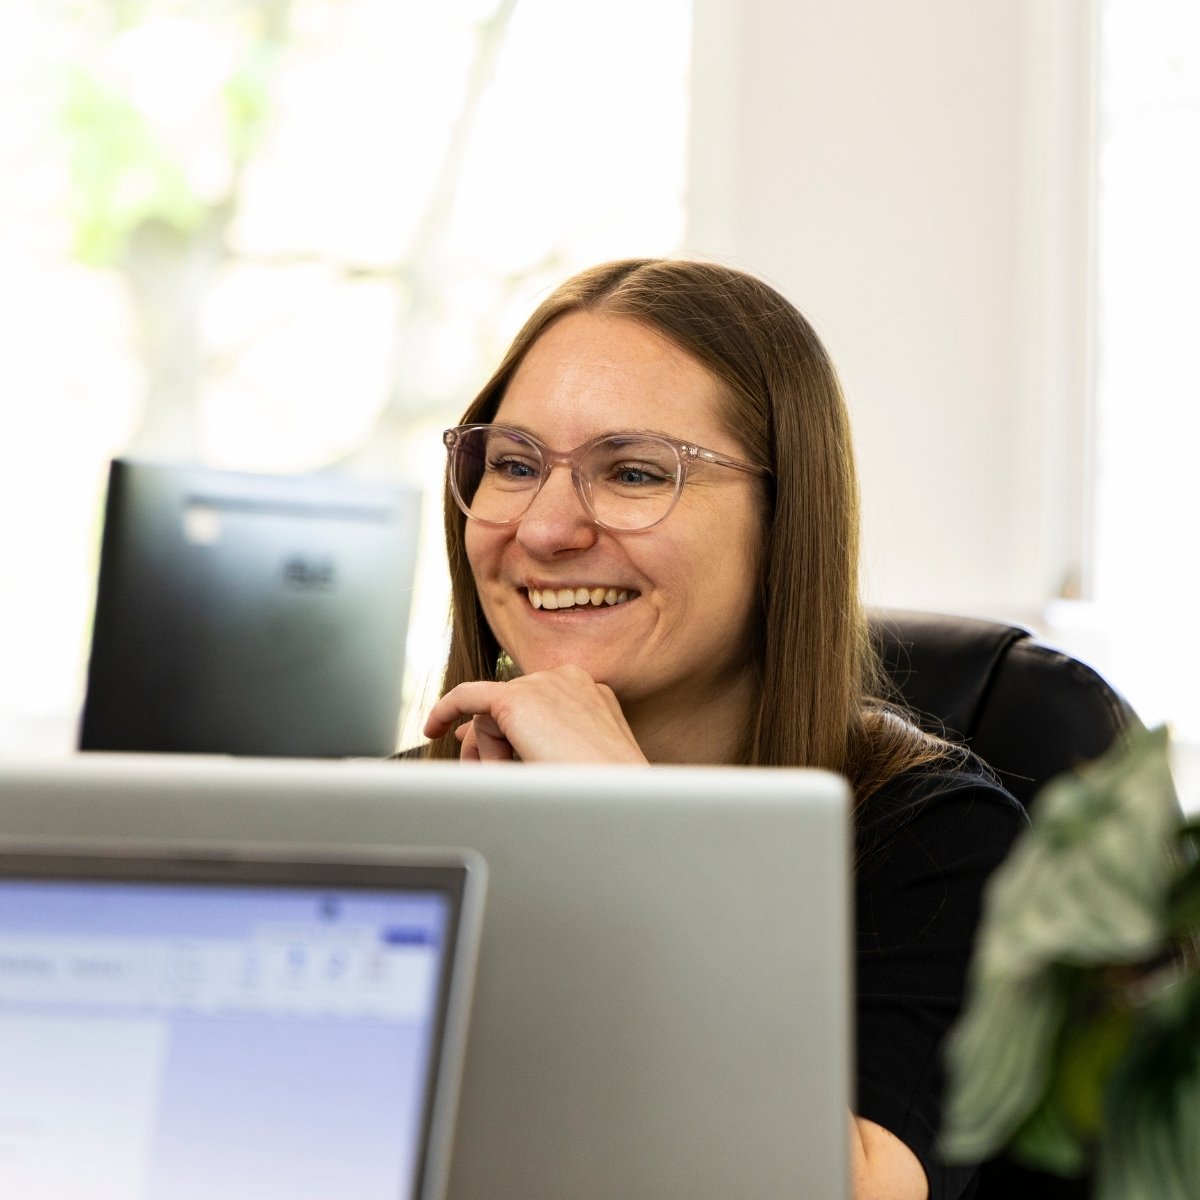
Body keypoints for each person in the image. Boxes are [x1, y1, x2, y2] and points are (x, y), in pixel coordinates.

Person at [416, 258, 1025, 1200]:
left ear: (786, 521)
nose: (544, 528)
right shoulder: (400, 813)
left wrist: (633, 826)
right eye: (516, 464)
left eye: (632, 471)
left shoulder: (937, 842)